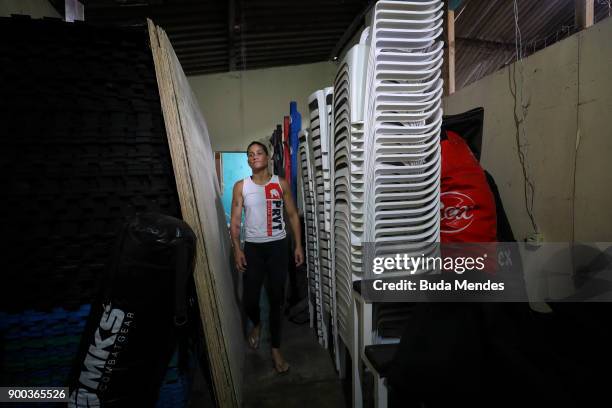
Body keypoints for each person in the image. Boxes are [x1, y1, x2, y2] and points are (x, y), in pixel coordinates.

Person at [229, 141, 304, 374]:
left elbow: (292, 215)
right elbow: (235, 222)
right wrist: (237, 250)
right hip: (253, 248)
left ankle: (275, 349)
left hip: (278, 248)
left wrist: (298, 245)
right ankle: (257, 324)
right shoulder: (241, 186)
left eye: (259, 153)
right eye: (250, 154)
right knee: (250, 299)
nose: (254, 157)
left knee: (276, 300)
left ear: (268, 156)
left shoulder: (279, 183)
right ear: (248, 160)